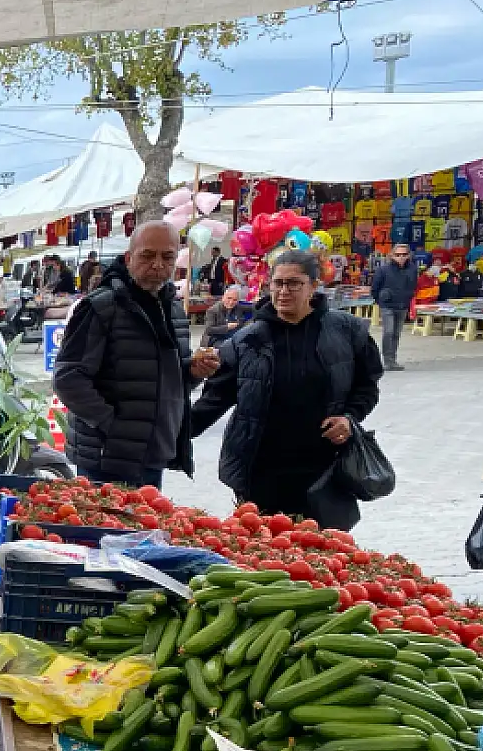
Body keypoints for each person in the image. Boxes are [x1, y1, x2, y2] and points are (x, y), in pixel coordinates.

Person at [190, 250, 382, 531]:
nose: (283, 291)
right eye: (277, 283)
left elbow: (367, 386)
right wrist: (172, 437)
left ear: (314, 286)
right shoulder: (247, 340)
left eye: (294, 283)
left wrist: (349, 418)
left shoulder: (348, 332)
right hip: (261, 468)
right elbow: (213, 401)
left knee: (322, 555)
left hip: (324, 469)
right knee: (263, 553)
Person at [52, 221, 219, 488]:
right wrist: (113, 425)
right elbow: (68, 379)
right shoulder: (100, 307)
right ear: (129, 258)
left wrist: (192, 372)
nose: (157, 264)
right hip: (108, 458)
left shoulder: (173, 309)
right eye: (147, 255)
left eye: (167, 256)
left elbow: (166, 379)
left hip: (153, 454)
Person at [370, 243, 416, 372]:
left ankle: (393, 360)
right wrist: (381, 300)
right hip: (388, 305)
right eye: (398, 255)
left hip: (402, 304)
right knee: (388, 332)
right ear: (392, 255)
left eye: (404, 255)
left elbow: (413, 284)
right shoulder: (383, 269)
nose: (401, 257)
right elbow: (374, 288)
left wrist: (408, 297)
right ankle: (388, 360)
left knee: (396, 333)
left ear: (409, 255)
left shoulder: (412, 269)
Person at [201, 284, 245, 350]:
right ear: (223, 297)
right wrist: (227, 327)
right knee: (229, 348)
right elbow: (209, 330)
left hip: (232, 338)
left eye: (235, 300)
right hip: (215, 339)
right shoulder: (213, 310)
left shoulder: (238, 308)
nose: (231, 302)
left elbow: (254, 307)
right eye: (229, 298)